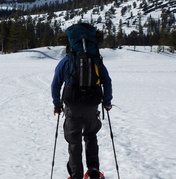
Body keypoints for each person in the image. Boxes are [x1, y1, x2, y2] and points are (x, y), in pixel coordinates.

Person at [51, 25, 112, 179]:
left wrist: (57, 104)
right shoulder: (96, 61)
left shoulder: (66, 62)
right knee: (91, 136)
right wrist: (107, 102)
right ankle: (93, 172)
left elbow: (55, 84)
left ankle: (76, 175)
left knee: (74, 141)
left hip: (72, 104)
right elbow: (107, 81)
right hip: (92, 103)